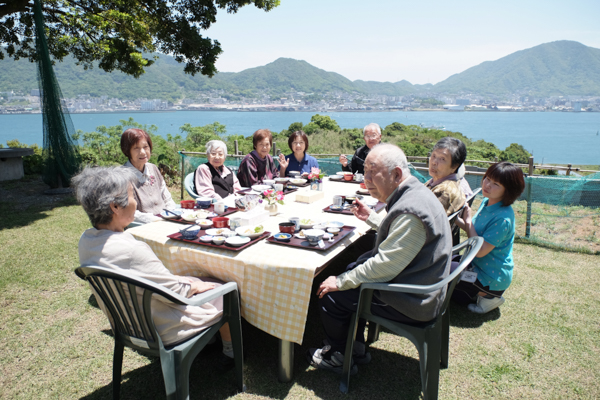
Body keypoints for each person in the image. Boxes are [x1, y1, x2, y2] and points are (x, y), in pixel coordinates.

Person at [307, 143, 452, 374]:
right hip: (421, 284)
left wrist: (341, 281)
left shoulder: (412, 209)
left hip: (412, 298)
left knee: (332, 294)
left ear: (396, 174)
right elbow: (402, 239)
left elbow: (385, 265)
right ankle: (355, 348)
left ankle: (339, 356)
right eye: (365, 171)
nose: (366, 179)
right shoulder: (417, 192)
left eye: (373, 172)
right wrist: (373, 219)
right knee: (352, 272)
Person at [73, 166, 236, 369]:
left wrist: (187, 281)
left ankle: (209, 342)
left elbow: (157, 281)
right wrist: (193, 285)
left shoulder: (86, 241)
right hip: (164, 327)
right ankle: (231, 351)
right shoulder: (132, 249)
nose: (135, 203)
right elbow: (175, 292)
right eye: (133, 196)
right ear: (115, 206)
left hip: (127, 324)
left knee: (192, 279)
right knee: (225, 289)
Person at [452, 162, 525, 314]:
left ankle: (490, 297)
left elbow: (480, 251)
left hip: (489, 277)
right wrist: (455, 219)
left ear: (509, 191)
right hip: (476, 266)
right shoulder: (488, 202)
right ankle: (475, 293)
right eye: (487, 179)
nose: (487, 185)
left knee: (447, 284)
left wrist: (468, 220)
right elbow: (475, 231)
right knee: (444, 265)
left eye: (496, 184)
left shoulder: (502, 219)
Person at [120, 128, 176, 224]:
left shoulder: (153, 168)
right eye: (136, 148)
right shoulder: (122, 176)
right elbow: (128, 212)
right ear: (127, 151)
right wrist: (157, 220)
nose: (142, 152)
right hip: (141, 227)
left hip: (165, 221)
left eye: (145, 147)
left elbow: (167, 198)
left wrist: (170, 214)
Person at [425, 137, 468, 216]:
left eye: (442, 159)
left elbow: (422, 219)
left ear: (454, 166)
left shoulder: (444, 191)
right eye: (434, 155)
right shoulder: (434, 182)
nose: (434, 162)